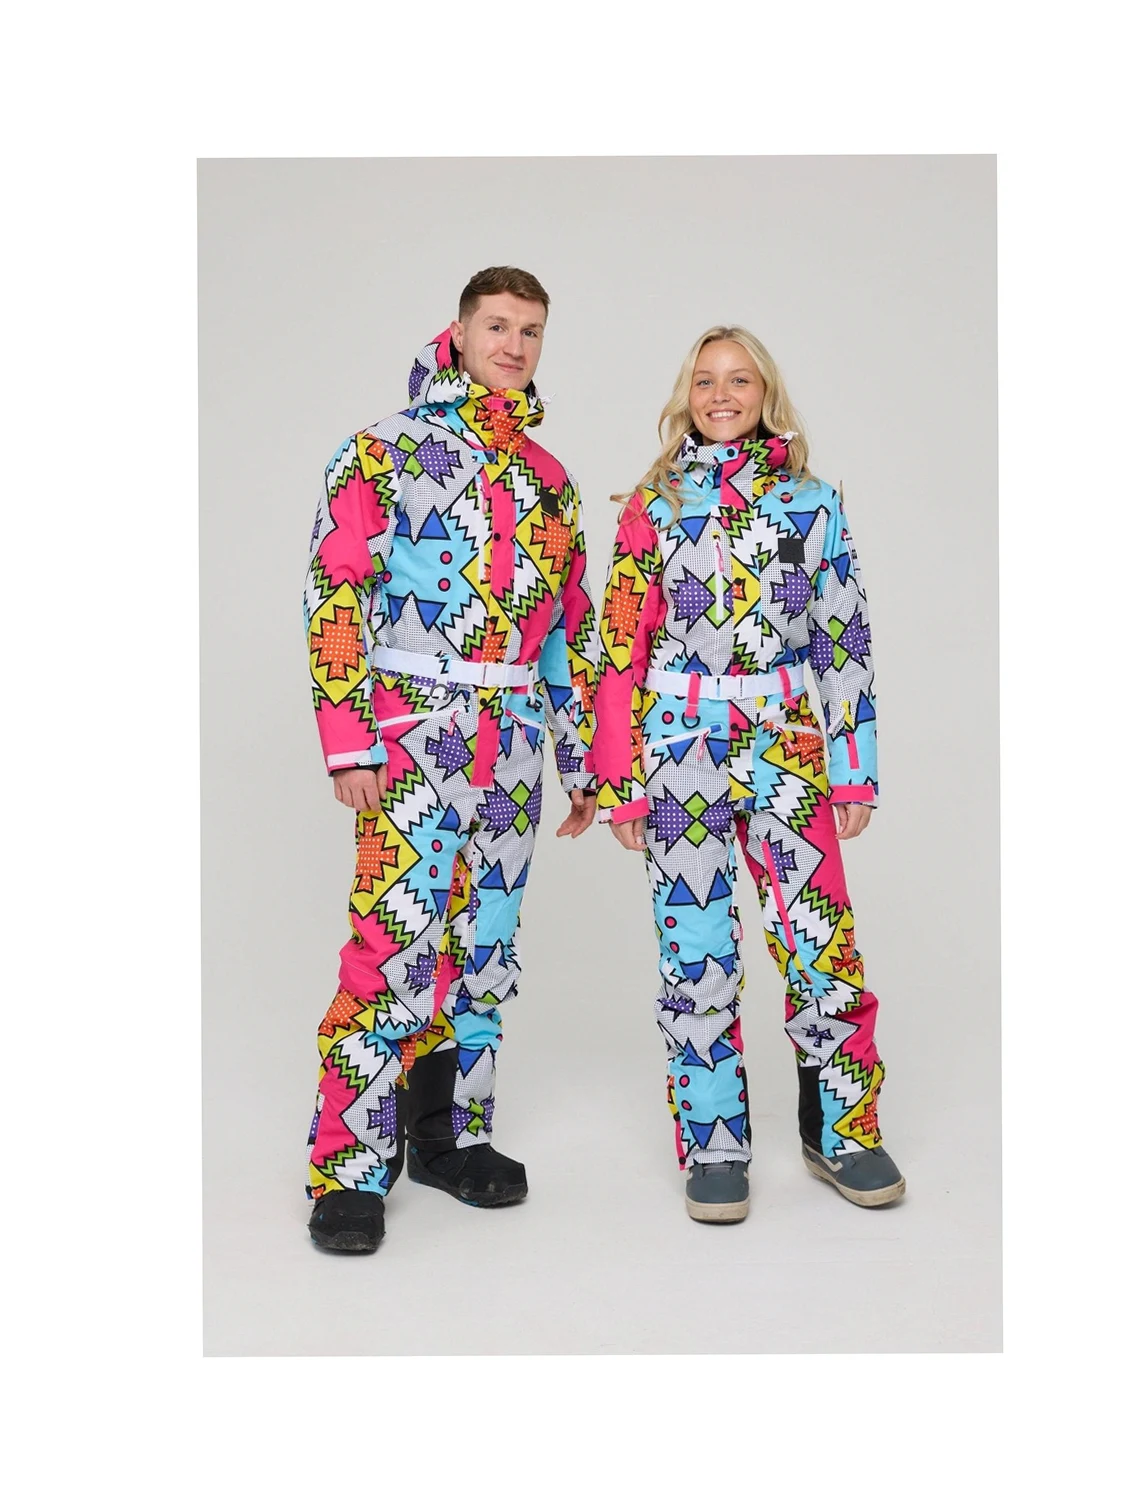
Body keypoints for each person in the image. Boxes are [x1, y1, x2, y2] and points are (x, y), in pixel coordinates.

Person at [303, 266, 598, 1253]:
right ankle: (350, 1167)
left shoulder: (550, 480)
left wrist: (581, 761)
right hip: (411, 734)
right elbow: (334, 594)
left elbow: (565, 631)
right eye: (498, 325)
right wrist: (349, 740)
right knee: (393, 944)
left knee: (485, 945)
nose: (514, 345)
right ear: (461, 333)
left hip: (511, 747)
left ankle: (447, 1135)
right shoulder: (380, 452)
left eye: (531, 330)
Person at [592, 326, 904, 1223]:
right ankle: (715, 1144)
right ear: (685, 396)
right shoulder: (651, 505)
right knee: (697, 953)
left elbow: (844, 640)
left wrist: (853, 771)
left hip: (786, 747)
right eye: (704, 381)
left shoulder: (814, 504)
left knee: (821, 944)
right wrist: (618, 780)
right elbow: (618, 649)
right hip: (677, 752)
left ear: (766, 393)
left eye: (739, 380)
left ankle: (843, 1129)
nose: (721, 395)